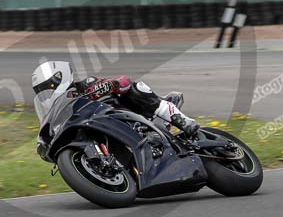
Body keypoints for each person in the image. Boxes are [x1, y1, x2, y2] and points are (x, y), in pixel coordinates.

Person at [31, 61, 200, 157]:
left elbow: (123, 80)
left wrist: (112, 85)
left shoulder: (85, 85)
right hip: (104, 132)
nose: (48, 92)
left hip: (132, 117)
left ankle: (181, 120)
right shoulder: (59, 114)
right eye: (43, 90)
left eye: (49, 87)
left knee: (135, 87)